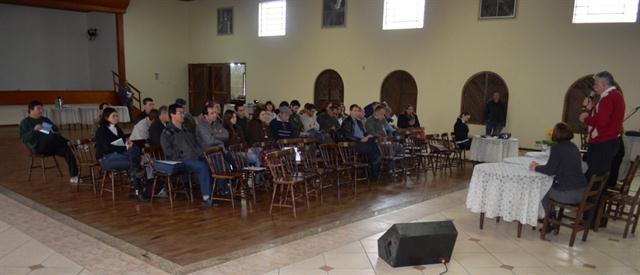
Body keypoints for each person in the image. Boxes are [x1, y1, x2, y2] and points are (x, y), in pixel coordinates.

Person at [530, 122, 587, 230]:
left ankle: (549, 221)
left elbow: (550, 170)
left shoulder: (557, 148)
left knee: (543, 189)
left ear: (555, 134)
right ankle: (551, 217)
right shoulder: (574, 147)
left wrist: (535, 167)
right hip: (582, 191)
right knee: (548, 187)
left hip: (569, 193)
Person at [160, 104, 216, 206]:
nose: (183, 115)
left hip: (193, 157)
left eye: (183, 112)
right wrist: (181, 156)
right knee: (202, 166)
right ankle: (206, 198)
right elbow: (168, 151)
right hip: (180, 161)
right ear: (172, 115)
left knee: (212, 162)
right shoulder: (167, 132)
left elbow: (195, 144)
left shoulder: (186, 129)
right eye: (180, 113)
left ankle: (220, 192)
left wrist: (203, 153)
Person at [579, 71, 625, 182]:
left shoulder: (608, 98)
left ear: (604, 84)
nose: (594, 87)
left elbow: (602, 122)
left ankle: (589, 199)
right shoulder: (615, 96)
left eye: (596, 84)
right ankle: (595, 198)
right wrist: (591, 109)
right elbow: (605, 117)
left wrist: (585, 118)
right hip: (608, 141)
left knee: (595, 175)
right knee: (599, 174)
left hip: (603, 142)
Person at [19, 100, 79, 184]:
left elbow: (56, 130)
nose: (41, 111)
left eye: (41, 109)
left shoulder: (45, 119)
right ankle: (74, 145)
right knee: (51, 136)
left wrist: (50, 128)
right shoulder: (25, 122)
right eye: (38, 109)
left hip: (52, 145)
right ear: (31, 110)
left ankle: (74, 176)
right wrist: (34, 130)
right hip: (38, 148)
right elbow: (24, 139)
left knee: (67, 150)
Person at [95, 107, 147, 201]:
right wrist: (125, 146)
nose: (116, 118)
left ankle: (139, 192)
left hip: (119, 155)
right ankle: (139, 191)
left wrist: (128, 144)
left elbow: (122, 142)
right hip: (106, 158)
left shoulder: (117, 129)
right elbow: (107, 148)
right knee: (135, 162)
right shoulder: (101, 130)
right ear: (107, 118)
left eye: (117, 116)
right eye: (114, 116)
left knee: (134, 153)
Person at [339, 104, 381, 179]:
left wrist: (368, 135)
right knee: (373, 149)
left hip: (362, 141)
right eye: (355, 111)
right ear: (350, 111)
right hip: (354, 144)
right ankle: (374, 173)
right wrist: (360, 139)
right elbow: (347, 136)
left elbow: (363, 133)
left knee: (374, 143)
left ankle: (375, 172)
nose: (356, 112)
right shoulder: (347, 122)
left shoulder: (358, 122)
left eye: (358, 111)